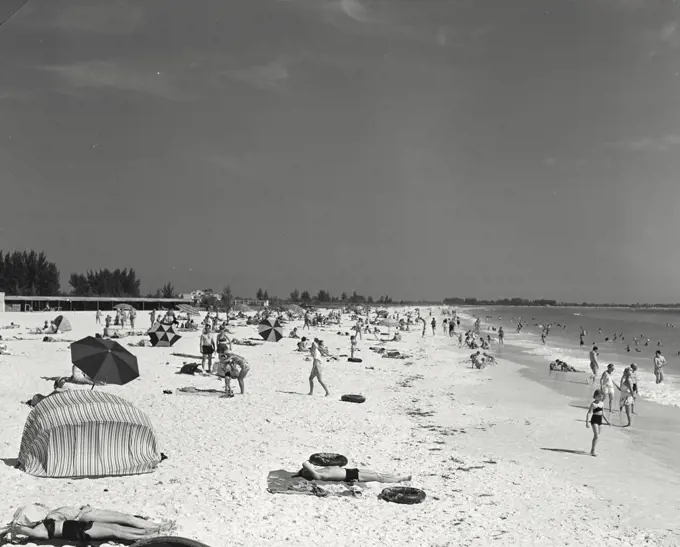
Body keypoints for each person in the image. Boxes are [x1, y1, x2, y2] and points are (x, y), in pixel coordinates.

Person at [2, 504, 173, 543]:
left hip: (81, 528)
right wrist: (15, 527)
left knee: (117, 529)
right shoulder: (41, 532)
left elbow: (21, 528)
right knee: (116, 532)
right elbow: (21, 530)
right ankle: (150, 535)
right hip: (81, 533)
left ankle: (154, 531)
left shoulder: (45, 523)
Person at [295, 460, 411, 483]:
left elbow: (307, 465)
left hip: (352, 470)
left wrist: (302, 471)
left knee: (377, 473)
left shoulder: (319, 470)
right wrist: (302, 472)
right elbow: (305, 463)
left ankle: (396, 477)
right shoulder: (318, 475)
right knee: (378, 477)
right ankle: (400, 479)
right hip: (352, 476)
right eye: (305, 472)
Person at [585, 389, 610, 457]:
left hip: (600, 420)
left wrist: (607, 421)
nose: (600, 398)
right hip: (594, 420)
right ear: (595, 396)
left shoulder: (602, 403)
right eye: (599, 396)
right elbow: (589, 413)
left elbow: (603, 414)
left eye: (601, 396)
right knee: (596, 435)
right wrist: (587, 422)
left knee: (597, 436)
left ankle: (592, 449)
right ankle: (593, 451)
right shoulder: (593, 404)